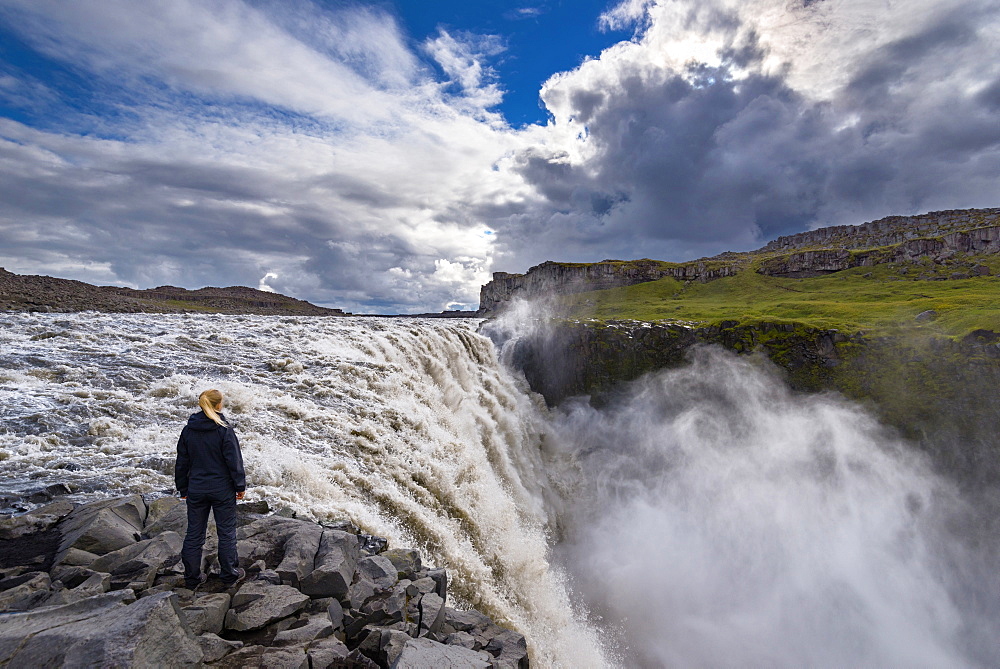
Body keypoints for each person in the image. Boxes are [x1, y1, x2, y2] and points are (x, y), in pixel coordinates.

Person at [175, 388, 247, 589]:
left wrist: (183, 488)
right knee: (226, 533)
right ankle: (229, 575)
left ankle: (192, 578)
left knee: (194, 534)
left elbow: (182, 462)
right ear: (218, 405)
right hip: (222, 489)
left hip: (196, 488)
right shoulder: (223, 429)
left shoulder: (189, 429)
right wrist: (240, 485)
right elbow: (234, 461)